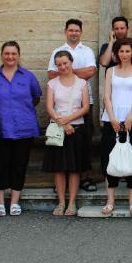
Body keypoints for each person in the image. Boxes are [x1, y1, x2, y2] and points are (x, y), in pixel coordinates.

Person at [0, 41, 42, 217]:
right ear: (2, 55)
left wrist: (21, 110)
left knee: (19, 165)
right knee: (0, 165)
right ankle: (0, 202)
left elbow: (36, 97)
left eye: (13, 54)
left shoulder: (28, 76)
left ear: (18, 55)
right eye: (7, 53)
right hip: (0, 129)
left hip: (24, 128)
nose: (10, 57)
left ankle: (15, 202)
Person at [47, 19, 97, 192]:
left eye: (77, 30)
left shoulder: (87, 50)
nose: (74, 33)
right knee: (60, 145)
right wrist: (71, 70)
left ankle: (85, 177)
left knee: (84, 142)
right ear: (65, 31)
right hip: (60, 108)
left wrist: (67, 71)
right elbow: (50, 74)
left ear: (81, 32)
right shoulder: (57, 51)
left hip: (84, 101)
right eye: (71, 30)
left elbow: (91, 71)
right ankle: (61, 183)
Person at [99, 38, 132, 216]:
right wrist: (111, 117)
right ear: (116, 53)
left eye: (128, 51)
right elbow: (107, 96)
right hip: (112, 118)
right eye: (121, 51)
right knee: (109, 157)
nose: (124, 54)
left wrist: (129, 118)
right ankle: (110, 200)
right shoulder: (110, 71)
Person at [43, 50, 90, 217]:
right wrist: (62, 122)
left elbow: (85, 107)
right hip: (58, 129)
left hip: (77, 129)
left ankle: (72, 202)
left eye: (65, 63)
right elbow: (49, 107)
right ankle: (61, 201)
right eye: (59, 64)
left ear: (71, 62)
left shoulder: (82, 83)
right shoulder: (52, 84)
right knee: (59, 169)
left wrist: (68, 120)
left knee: (74, 168)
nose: (63, 67)